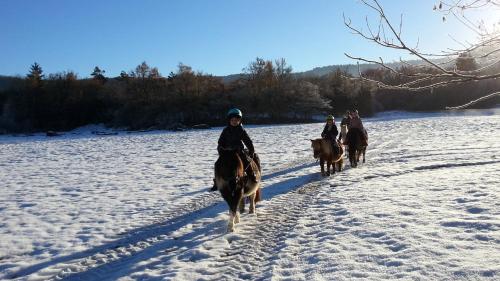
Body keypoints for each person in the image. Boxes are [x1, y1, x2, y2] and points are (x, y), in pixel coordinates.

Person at [210, 108, 256, 191]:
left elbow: (247, 141)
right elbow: (220, 141)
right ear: (229, 120)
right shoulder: (225, 130)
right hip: (227, 152)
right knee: (217, 164)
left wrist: (251, 150)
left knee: (246, 161)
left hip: (238, 152)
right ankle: (217, 181)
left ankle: (252, 176)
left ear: (239, 121)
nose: (234, 122)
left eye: (236, 120)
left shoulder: (241, 130)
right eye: (233, 120)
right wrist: (221, 149)